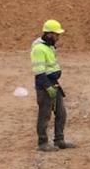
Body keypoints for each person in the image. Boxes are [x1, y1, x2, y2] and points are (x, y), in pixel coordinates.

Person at [31, 19, 75, 152]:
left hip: (53, 83)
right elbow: (39, 72)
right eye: (56, 34)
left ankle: (59, 140)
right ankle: (42, 142)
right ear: (49, 34)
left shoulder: (48, 46)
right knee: (44, 115)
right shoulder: (39, 49)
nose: (58, 37)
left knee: (61, 113)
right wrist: (47, 87)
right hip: (45, 85)